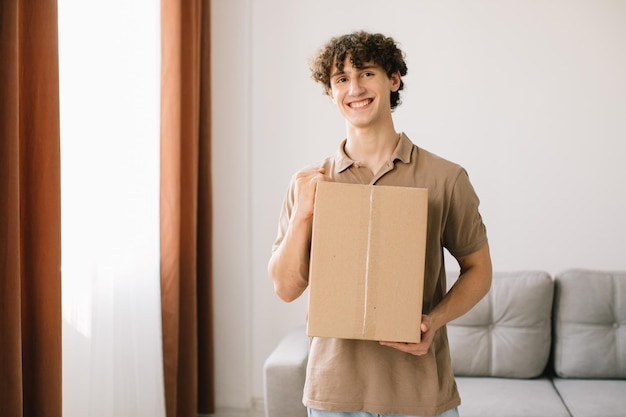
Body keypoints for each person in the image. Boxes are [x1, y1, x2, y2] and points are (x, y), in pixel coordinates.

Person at [268, 31, 492, 417]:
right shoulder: (309, 182)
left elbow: (480, 270)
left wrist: (433, 321)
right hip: (334, 393)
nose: (354, 88)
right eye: (341, 79)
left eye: (366, 73)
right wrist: (304, 213)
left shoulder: (445, 178)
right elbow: (286, 288)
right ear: (331, 92)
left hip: (419, 393)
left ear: (393, 79)